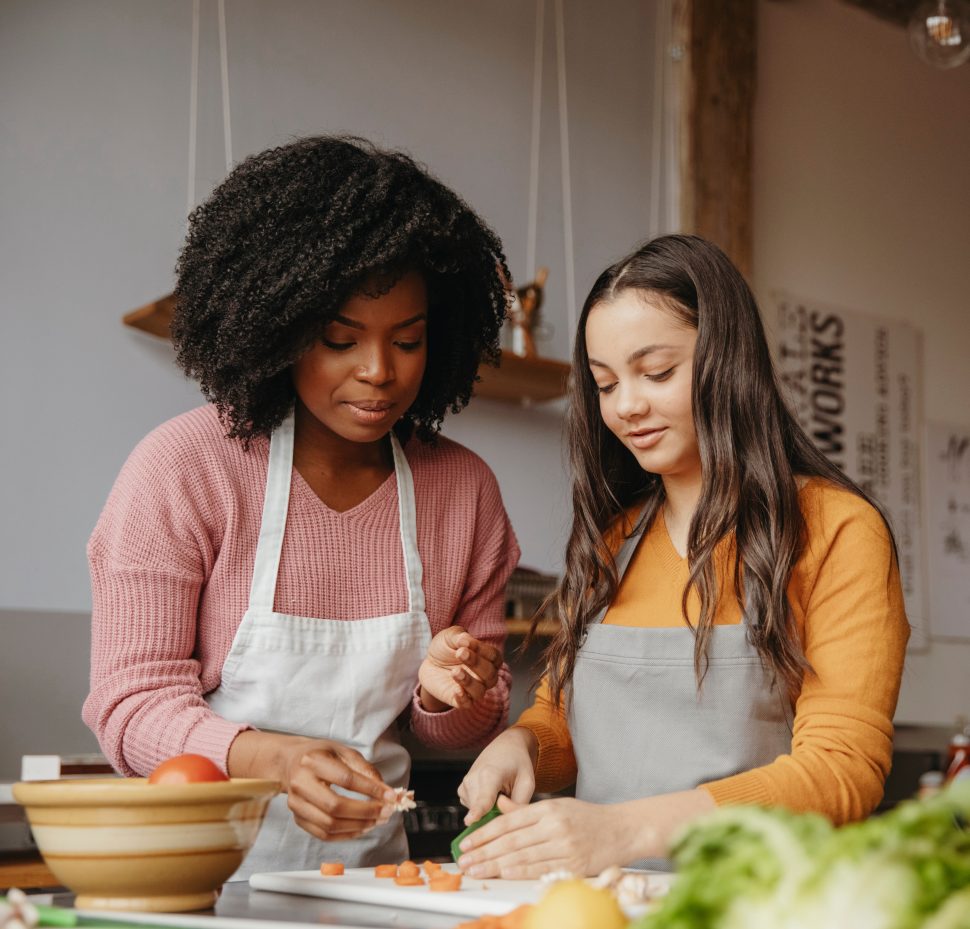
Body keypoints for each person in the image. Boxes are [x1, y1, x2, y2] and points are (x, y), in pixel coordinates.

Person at [82, 135, 520, 877]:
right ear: (278, 327)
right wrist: (274, 760)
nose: (379, 372)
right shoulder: (184, 468)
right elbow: (130, 704)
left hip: (371, 886)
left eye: (407, 341)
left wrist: (456, 690)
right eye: (339, 339)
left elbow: (461, 729)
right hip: (196, 880)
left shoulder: (461, 490)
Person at [455, 234, 909, 878]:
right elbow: (562, 719)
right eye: (606, 384)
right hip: (605, 909)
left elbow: (841, 772)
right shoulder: (614, 539)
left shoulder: (835, 529)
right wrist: (522, 742)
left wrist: (625, 828)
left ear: (729, 360)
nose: (626, 406)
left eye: (657, 373)